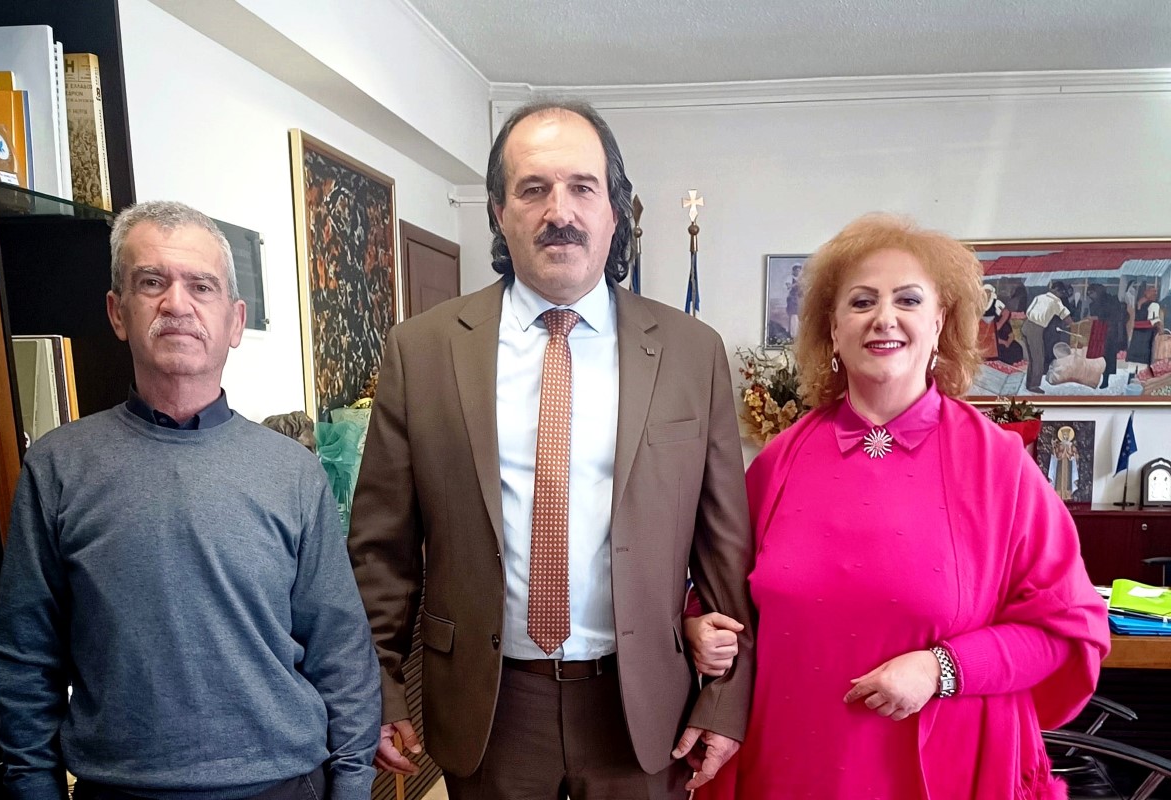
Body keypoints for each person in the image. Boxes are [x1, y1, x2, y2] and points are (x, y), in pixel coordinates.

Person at [347, 100, 755, 800]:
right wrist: (378, 686)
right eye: (532, 188)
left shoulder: (691, 353)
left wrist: (724, 697)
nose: (558, 211)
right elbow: (381, 549)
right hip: (490, 705)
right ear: (499, 213)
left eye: (582, 187)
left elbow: (724, 547)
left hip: (641, 703)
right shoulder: (422, 350)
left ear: (614, 211)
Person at [692, 214, 1109, 799]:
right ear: (832, 328)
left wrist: (943, 668)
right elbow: (720, 594)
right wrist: (698, 626)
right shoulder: (778, 462)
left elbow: (1066, 633)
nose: (884, 317)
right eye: (861, 301)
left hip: (946, 770)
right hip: (786, 765)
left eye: (908, 300)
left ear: (939, 323)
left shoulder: (1000, 466)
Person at [0, 201, 382, 800]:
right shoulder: (58, 467)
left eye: (201, 286)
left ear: (234, 321)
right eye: (152, 282)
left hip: (281, 784)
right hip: (118, 791)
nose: (177, 303)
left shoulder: (293, 472)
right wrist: (33, 787)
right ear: (117, 312)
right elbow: (25, 658)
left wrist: (353, 784)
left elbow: (340, 648)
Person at [1022, 281, 1073, 393]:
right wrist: (1073, 325)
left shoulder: (1039, 297)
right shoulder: (1056, 301)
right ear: (1058, 291)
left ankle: (1029, 383)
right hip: (1036, 328)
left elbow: (1028, 311)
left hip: (1026, 325)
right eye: (1061, 292)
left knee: (1032, 358)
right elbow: (1066, 317)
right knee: (1038, 358)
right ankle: (1034, 385)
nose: (1061, 295)